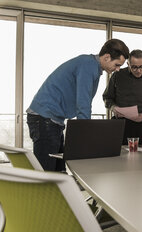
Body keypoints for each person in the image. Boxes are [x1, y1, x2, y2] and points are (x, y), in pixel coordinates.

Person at [27, 39, 129, 172]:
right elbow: (83, 103)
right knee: (46, 175)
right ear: (107, 57)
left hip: (52, 119)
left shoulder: (92, 66)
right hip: (44, 118)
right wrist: (85, 137)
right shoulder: (88, 65)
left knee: (59, 173)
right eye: (117, 64)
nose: (118, 69)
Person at [103, 49, 142, 145]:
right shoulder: (117, 76)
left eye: (141, 67)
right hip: (121, 124)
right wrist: (113, 108)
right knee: (118, 156)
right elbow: (107, 97)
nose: (138, 70)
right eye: (134, 67)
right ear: (128, 64)